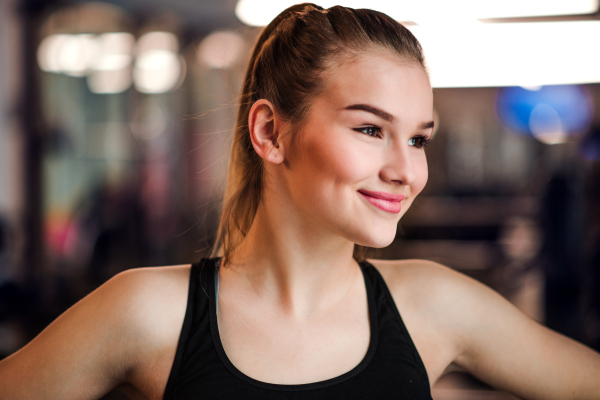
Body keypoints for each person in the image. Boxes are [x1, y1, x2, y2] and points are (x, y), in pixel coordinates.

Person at [1, 3, 600, 399]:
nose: (406, 170)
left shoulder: (434, 305)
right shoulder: (147, 312)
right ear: (270, 133)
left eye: (418, 139)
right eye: (370, 130)